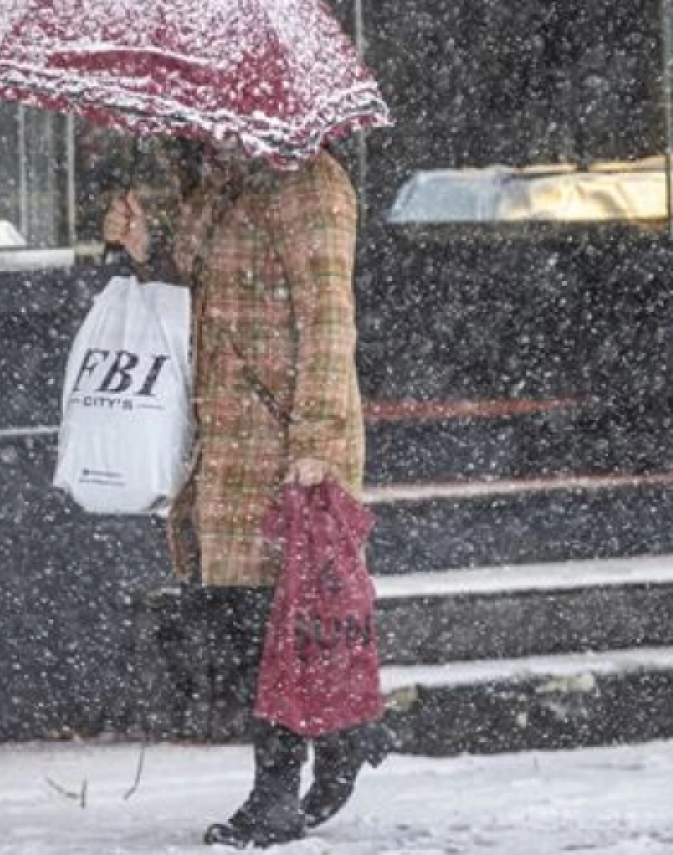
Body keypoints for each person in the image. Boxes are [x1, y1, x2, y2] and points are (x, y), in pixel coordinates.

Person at [102, 138, 391, 848]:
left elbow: (329, 319)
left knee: (279, 624)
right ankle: (346, 730)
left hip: (288, 445)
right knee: (236, 619)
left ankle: (274, 794)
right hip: (223, 442)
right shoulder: (223, 184)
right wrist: (145, 246)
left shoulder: (311, 185)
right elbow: (197, 285)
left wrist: (318, 441)